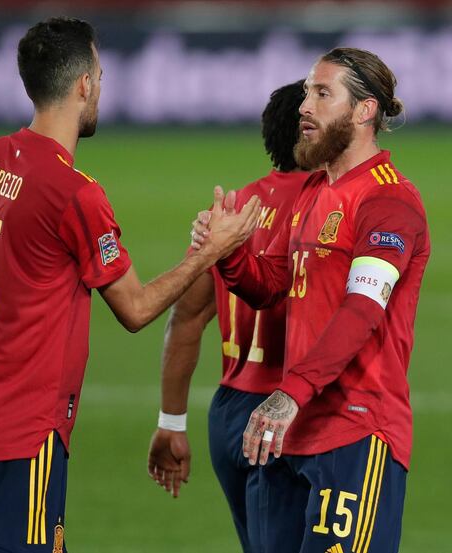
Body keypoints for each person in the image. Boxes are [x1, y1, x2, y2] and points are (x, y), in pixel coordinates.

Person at [0, 17, 261, 553]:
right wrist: (209, 253)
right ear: (84, 85)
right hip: (24, 435)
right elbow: (136, 310)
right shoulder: (75, 193)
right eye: (100, 74)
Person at [194, 47, 430, 553]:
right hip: (293, 436)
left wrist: (290, 392)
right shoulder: (313, 192)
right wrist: (226, 252)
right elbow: (271, 284)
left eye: (323, 94)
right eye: (306, 92)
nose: (305, 105)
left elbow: (363, 310)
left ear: (364, 111)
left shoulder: (388, 200)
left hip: (355, 431)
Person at [146, 80, 309, 553]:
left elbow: (187, 320)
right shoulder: (326, 205)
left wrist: (172, 423)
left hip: (227, 415)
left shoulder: (231, 211)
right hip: (284, 414)